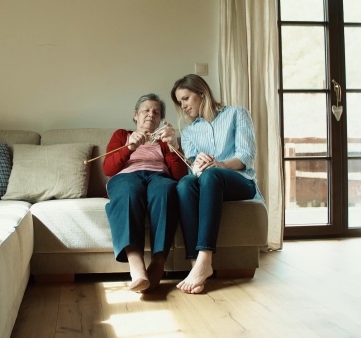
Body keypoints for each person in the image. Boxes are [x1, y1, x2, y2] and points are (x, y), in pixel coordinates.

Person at [171, 74, 261, 294]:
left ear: (201, 93)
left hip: (240, 181)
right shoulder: (190, 131)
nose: (183, 106)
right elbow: (192, 168)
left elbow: (246, 156)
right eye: (180, 102)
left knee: (212, 175)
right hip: (209, 182)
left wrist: (220, 164)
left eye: (186, 98)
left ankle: (205, 257)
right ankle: (195, 265)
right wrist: (197, 166)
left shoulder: (236, 113)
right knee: (184, 184)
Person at [103, 93, 187, 293]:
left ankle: (158, 263)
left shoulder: (164, 141)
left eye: (156, 112)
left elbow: (179, 174)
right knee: (129, 192)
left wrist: (173, 145)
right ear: (135, 115)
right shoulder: (122, 135)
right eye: (146, 110)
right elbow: (108, 169)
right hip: (127, 176)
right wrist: (129, 147)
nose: (151, 114)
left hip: (158, 176)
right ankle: (137, 266)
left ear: (160, 119)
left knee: (166, 191)